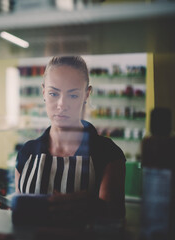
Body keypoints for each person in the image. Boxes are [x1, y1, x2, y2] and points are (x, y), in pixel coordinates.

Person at [15, 56, 126, 221]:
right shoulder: (27, 152)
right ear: (43, 92)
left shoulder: (108, 153)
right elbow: (20, 212)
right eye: (53, 93)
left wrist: (94, 208)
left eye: (73, 95)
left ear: (86, 94)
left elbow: (114, 221)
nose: (61, 104)